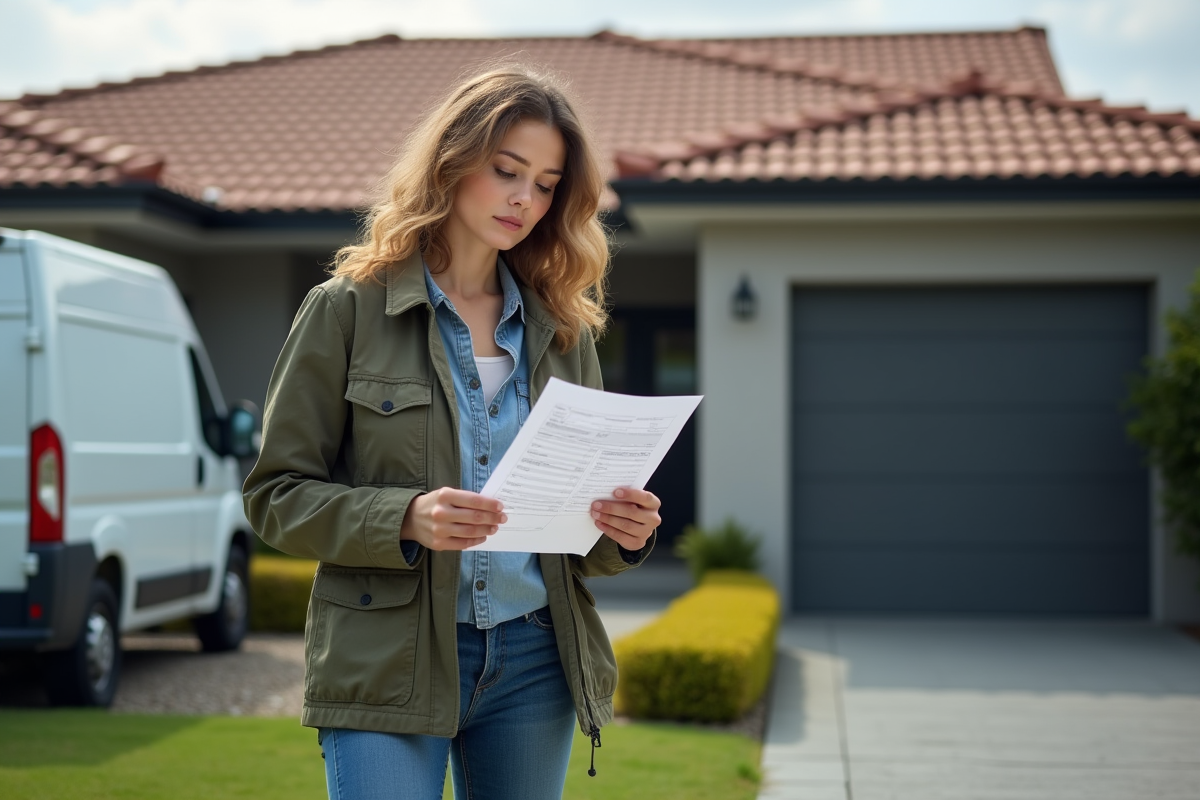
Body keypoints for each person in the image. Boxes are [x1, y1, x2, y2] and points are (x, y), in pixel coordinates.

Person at [242, 65, 661, 800]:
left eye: (545, 183)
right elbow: (275, 496)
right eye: (507, 171)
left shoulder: (563, 331)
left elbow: (576, 539)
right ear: (453, 160)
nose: (524, 199)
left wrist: (621, 531)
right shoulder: (346, 310)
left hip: (536, 658)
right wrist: (403, 516)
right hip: (387, 655)